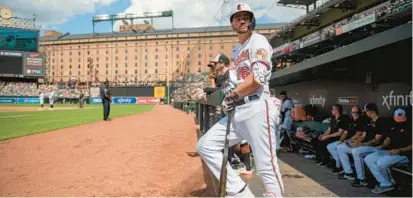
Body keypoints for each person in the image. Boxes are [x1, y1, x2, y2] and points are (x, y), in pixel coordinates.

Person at [197, 3, 283, 197]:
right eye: (238, 17)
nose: (242, 20)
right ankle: (239, 193)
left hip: (257, 107)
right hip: (238, 111)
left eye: (246, 17)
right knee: (205, 146)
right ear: (232, 23)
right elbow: (236, 80)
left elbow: (258, 78)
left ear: (251, 21)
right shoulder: (237, 50)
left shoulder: (258, 41)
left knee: (266, 166)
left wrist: (232, 95)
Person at [365, 107, 411, 194]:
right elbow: (388, 138)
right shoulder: (393, 124)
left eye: (401, 119)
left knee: (381, 163)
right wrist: (382, 145)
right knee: (368, 159)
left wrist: (399, 150)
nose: (399, 121)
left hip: (404, 154)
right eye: (397, 118)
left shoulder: (410, 126)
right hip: (391, 151)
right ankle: (386, 182)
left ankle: (387, 184)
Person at [350, 103, 390, 187]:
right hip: (369, 146)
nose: (365, 113)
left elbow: (376, 140)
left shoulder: (381, 121)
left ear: (371, 111)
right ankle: (361, 176)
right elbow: (364, 135)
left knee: (356, 151)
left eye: (366, 111)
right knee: (355, 150)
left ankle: (361, 179)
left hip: (379, 148)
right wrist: (357, 142)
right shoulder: (370, 121)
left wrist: (361, 144)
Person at [336, 106, 369, 180]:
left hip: (360, 144)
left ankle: (361, 178)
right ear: (351, 113)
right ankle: (348, 172)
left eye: (357, 112)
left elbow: (359, 134)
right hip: (352, 143)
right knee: (340, 147)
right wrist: (341, 140)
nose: (355, 114)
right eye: (354, 112)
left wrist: (349, 141)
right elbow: (345, 132)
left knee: (355, 152)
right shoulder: (351, 121)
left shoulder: (361, 120)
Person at [311, 104, 349, 169]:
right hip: (330, 137)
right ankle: (320, 158)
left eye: (332, 109)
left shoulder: (343, 119)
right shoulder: (333, 118)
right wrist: (322, 135)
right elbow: (329, 130)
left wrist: (327, 137)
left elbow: (340, 133)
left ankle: (326, 160)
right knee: (315, 141)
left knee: (324, 143)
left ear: (336, 110)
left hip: (337, 138)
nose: (331, 110)